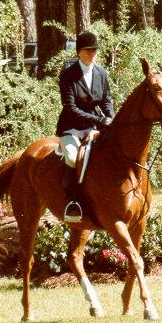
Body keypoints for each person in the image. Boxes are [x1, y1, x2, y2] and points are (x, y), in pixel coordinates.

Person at [55, 31, 115, 223]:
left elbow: (107, 100)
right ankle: (72, 201)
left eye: (95, 50)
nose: (92, 54)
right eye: (88, 50)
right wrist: (100, 120)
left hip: (94, 126)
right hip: (71, 126)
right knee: (73, 157)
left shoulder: (102, 73)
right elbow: (70, 108)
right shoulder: (68, 74)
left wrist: (110, 118)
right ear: (79, 51)